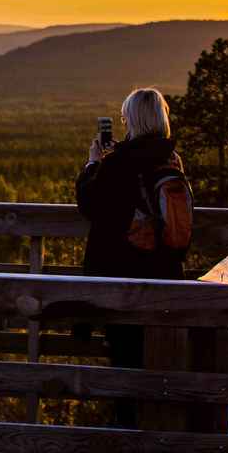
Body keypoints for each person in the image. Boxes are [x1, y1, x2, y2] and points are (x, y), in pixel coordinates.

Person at [76, 86, 194, 427]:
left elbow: (91, 205)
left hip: (126, 282)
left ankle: (132, 435)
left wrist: (92, 164)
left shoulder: (120, 163)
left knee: (128, 370)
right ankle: (164, 433)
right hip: (167, 277)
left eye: (126, 117)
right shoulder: (171, 160)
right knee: (163, 367)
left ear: (133, 121)